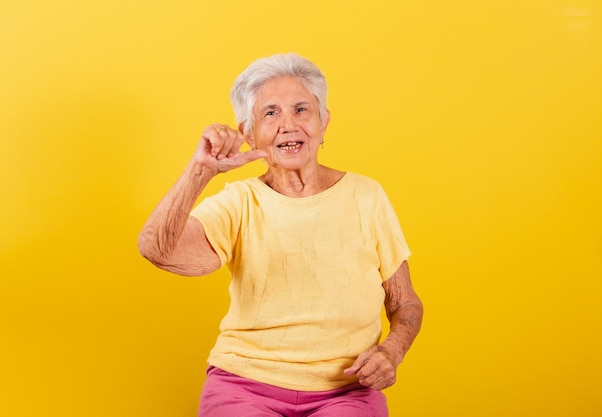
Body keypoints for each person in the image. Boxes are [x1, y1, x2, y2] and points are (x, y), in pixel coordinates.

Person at [138, 53, 423, 417]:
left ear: (323, 122)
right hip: (244, 386)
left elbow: (405, 303)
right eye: (270, 113)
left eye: (301, 109)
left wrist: (391, 351)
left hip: (346, 391)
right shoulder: (238, 203)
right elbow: (156, 250)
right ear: (248, 133)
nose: (288, 125)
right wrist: (201, 171)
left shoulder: (367, 196)